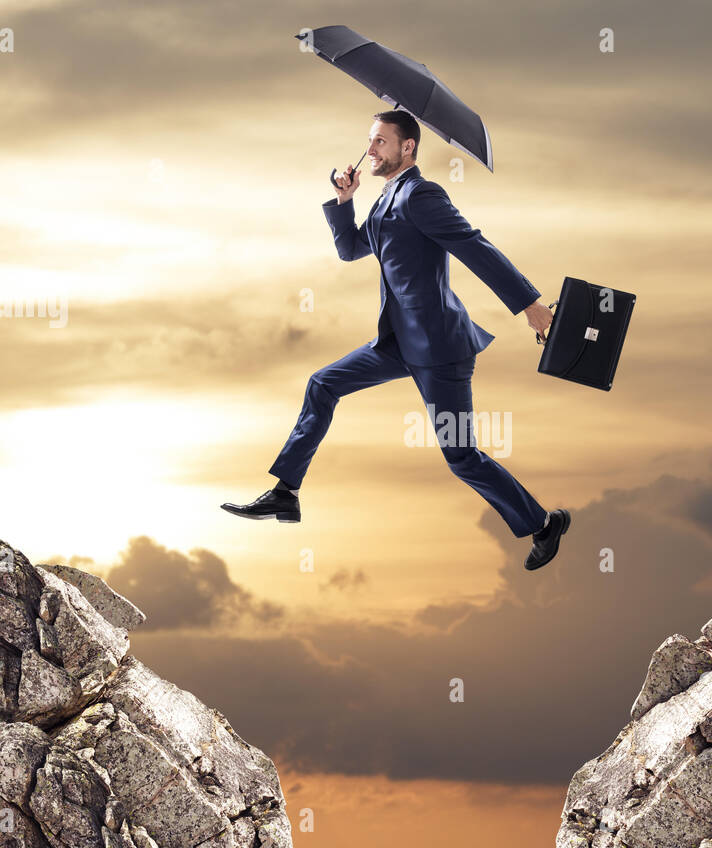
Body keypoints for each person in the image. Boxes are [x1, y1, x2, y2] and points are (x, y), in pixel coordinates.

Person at [222, 109, 569, 571]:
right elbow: (350, 249)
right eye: (369, 140)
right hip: (397, 344)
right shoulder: (387, 200)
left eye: (381, 142)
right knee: (323, 384)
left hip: (440, 351)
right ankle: (286, 494)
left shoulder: (421, 195)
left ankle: (544, 525)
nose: (370, 150)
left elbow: (474, 246)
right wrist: (344, 200)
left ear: (408, 148)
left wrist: (530, 305)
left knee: (462, 457)